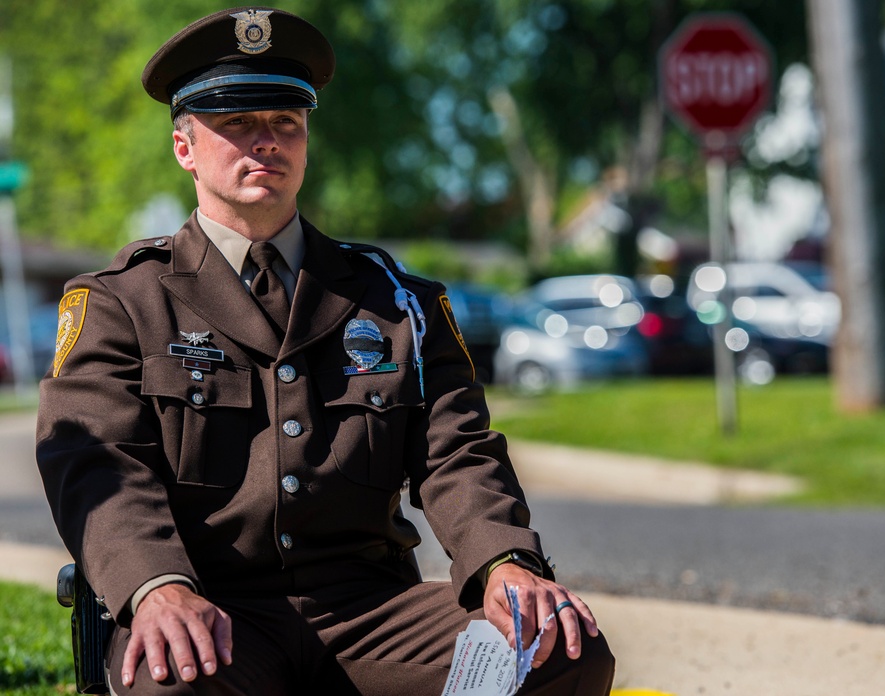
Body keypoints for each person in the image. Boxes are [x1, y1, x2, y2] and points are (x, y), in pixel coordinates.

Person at [35, 7, 614, 695]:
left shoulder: (395, 299)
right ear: (184, 147)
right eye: (238, 123)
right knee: (169, 678)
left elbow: (457, 451)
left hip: (372, 611)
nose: (265, 142)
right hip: (214, 609)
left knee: (559, 650)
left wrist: (504, 563)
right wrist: (155, 586)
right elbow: (96, 465)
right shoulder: (122, 302)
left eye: (285, 123)